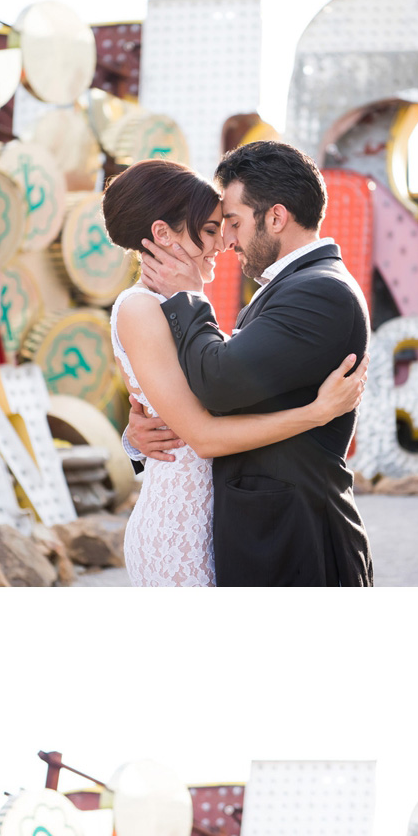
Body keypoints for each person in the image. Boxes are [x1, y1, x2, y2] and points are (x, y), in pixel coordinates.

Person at [102, 161, 367, 587]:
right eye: (209, 229)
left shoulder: (178, 308)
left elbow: (211, 390)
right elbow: (202, 435)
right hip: (182, 529)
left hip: (222, 523)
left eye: (227, 224)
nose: (222, 242)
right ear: (163, 235)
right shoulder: (141, 308)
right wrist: (315, 414)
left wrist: (135, 438)